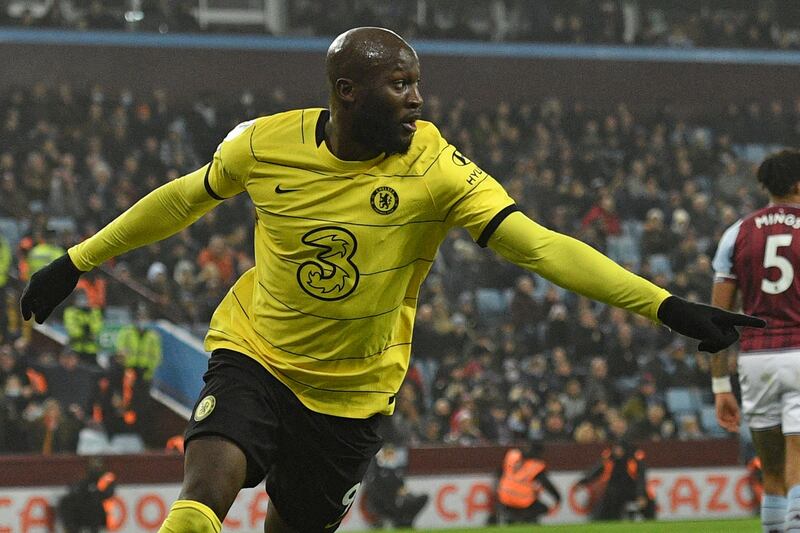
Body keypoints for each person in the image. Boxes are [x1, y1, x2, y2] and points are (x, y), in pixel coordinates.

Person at [20, 27, 764, 533]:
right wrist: (75, 260)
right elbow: (182, 197)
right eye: (400, 85)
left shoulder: (435, 167)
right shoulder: (264, 144)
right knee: (202, 494)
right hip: (256, 350)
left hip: (353, 390)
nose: (417, 99)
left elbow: (538, 246)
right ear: (347, 90)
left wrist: (664, 306)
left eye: (416, 84)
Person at [711, 149, 800, 533]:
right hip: (799, 352)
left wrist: (719, 385)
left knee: (773, 474)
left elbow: (717, 319)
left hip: (756, 360)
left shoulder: (737, 233)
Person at [575, 438, 656, 521]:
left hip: (632, 489)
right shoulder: (609, 460)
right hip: (614, 491)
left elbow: (641, 480)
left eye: (620, 449)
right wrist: (583, 482)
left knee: (649, 502)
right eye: (616, 449)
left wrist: (641, 495)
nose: (618, 452)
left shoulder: (634, 461)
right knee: (604, 505)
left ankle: (651, 521)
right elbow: (596, 472)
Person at [362, 444, 428, 528]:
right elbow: (374, 489)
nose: (391, 456)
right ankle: (399, 520)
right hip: (383, 502)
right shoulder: (377, 471)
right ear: (384, 454)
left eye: (392, 454)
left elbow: (402, 488)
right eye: (389, 454)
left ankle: (406, 520)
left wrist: (406, 495)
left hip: (396, 500)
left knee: (422, 498)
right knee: (390, 505)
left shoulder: (395, 471)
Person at [496, 440, 561, 524]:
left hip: (504, 497)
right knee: (544, 509)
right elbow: (547, 484)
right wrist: (558, 498)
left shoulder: (512, 455)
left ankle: (512, 519)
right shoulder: (535, 465)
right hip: (523, 500)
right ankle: (528, 521)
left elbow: (500, 473)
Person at [58, 457, 117, 533]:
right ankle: (72, 529)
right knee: (66, 502)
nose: (95, 469)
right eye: (93, 466)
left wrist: (93, 491)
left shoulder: (108, 478)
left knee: (94, 503)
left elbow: (107, 494)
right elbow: (78, 490)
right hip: (85, 511)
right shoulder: (87, 480)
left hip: (100, 513)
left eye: (98, 466)